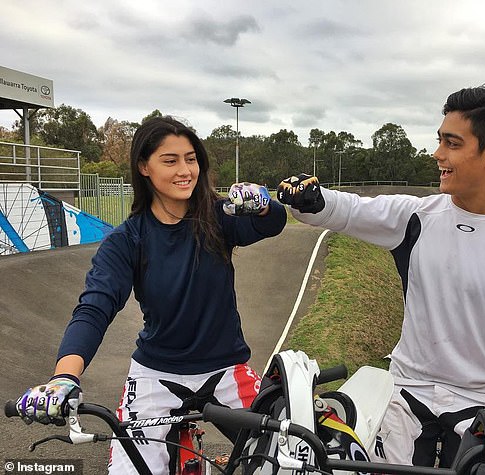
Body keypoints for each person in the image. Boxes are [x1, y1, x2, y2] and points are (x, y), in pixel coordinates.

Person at [277, 85, 485, 470]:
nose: (438, 155)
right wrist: (313, 200)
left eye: (452, 143)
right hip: (407, 395)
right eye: (440, 141)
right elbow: (349, 211)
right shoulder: (416, 217)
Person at [13, 116, 287, 474]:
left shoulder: (218, 216)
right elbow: (94, 308)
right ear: (144, 166)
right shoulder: (127, 239)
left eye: (191, 159)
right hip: (154, 375)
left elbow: (271, 223)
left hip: (227, 369)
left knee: (288, 457)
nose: (185, 170)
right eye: (170, 161)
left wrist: (264, 203)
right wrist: (64, 377)